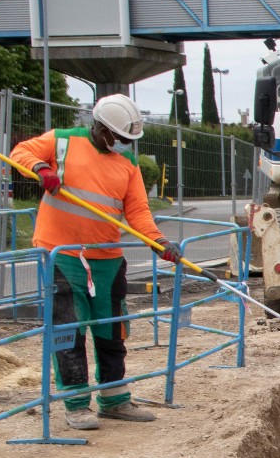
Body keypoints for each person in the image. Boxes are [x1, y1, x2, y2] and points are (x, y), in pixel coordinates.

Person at [11, 94, 182, 431]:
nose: (124, 145)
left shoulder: (128, 164)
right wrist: (41, 168)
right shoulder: (62, 141)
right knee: (68, 331)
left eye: (129, 140)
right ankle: (76, 405)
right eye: (120, 138)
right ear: (101, 128)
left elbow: (137, 213)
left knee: (112, 330)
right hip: (62, 256)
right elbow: (21, 153)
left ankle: (114, 399)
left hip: (106, 259)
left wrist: (158, 242)